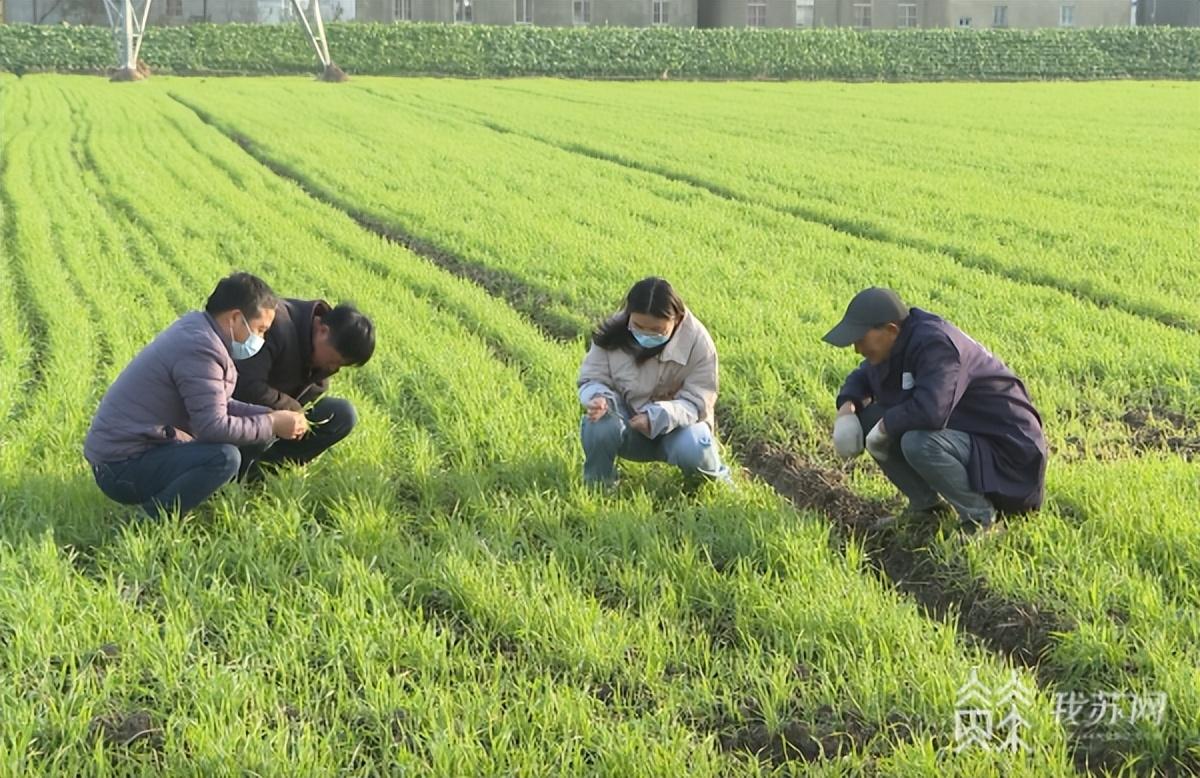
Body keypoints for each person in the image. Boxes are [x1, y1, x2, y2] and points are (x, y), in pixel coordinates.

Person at [823, 287, 1047, 534]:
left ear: (890, 330)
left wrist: (884, 428)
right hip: (968, 435)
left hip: (1009, 453)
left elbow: (931, 411)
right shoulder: (899, 342)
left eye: (861, 339)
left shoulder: (937, 345)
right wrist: (847, 408)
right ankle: (926, 508)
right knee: (868, 421)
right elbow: (864, 374)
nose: (857, 349)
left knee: (917, 441)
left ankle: (982, 520)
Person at [84, 273, 309, 517]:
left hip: (132, 452)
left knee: (257, 432)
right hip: (120, 467)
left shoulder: (201, 333)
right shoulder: (200, 349)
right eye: (260, 330)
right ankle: (150, 521)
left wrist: (269, 415)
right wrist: (272, 422)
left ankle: (212, 495)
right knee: (224, 458)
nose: (262, 340)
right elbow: (213, 426)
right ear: (235, 318)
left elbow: (221, 404)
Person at [577, 277, 733, 490]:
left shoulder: (699, 343)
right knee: (599, 423)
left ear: (676, 319)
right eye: (639, 326)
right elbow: (592, 378)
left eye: (657, 330)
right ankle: (598, 485)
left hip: (677, 429)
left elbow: (698, 401)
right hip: (628, 424)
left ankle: (716, 485)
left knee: (695, 446)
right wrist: (598, 398)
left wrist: (657, 417)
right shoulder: (613, 331)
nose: (646, 334)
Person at [233, 299, 374, 475]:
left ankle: (263, 472)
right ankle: (235, 472)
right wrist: (290, 409)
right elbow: (245, 384)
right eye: (334, 361)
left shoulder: (318, 363)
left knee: (342, 414)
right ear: (323, 331)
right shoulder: (277, 324)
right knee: (267, 417)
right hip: (228, 409)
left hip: (266, 422)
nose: (333, 369)